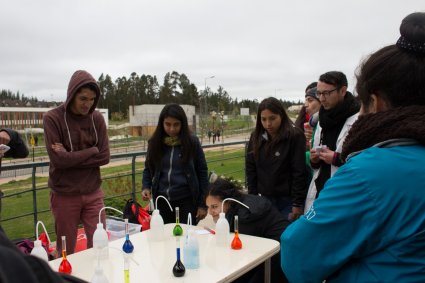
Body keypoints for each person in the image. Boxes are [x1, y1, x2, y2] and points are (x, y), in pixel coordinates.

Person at [281, 12, 425, 283]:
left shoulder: (369, 172)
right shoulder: (320, 121)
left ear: (376, 101)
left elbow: (298, 257)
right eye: (318, 94)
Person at [43, 70, 110, 255]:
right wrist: (91, 151)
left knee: (100, 244)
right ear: (71, 94)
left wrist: (69, 157)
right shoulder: (52, 118)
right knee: (66, 250)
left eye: (92, 99)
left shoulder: (96, 118)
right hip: (64, 193)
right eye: (83, 98)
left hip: (93, 192)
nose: (87, 104)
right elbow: (58, 160)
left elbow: (105, 156)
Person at [206, 176, 289, 283]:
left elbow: (242, 257)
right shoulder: (241, 202)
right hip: (281, 247)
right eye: (208, 207)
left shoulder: (244, 217)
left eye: (214, 206)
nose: (209, 212)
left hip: (280, 256)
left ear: (227, 202)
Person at [141, 103, 208, 224]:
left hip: (186, 201)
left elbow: (202, 172)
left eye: (176, 124)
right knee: (164, 238)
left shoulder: (192, 142)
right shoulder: (154, 143)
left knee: (185, 238)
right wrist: (146, 186)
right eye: (168, 124)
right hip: (162, 201)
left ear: (183, 124)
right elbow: (148, 168)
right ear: (162, 123)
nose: (172, 129)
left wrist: (202, 205)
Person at [304, 71, 360, 212]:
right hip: (320, 189)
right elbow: (316, 165)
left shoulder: (358, 119)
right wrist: (314, 160)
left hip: (345, 192)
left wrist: (336, 158)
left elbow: (365, 161)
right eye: (319, 93)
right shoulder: (322, 119)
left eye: (326, 93)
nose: (321, 99)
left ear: (342, 90)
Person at [246, 97, 308, 221]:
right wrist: (252, 198)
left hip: (287, 200)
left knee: (285, 235)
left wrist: (297, 203)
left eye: (272, 118)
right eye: (263, 119)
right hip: (264, 198)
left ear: (281, 115)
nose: (268, 124)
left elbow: (299, 171)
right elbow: (250, 168)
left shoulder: (295, 136)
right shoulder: (256, 137)